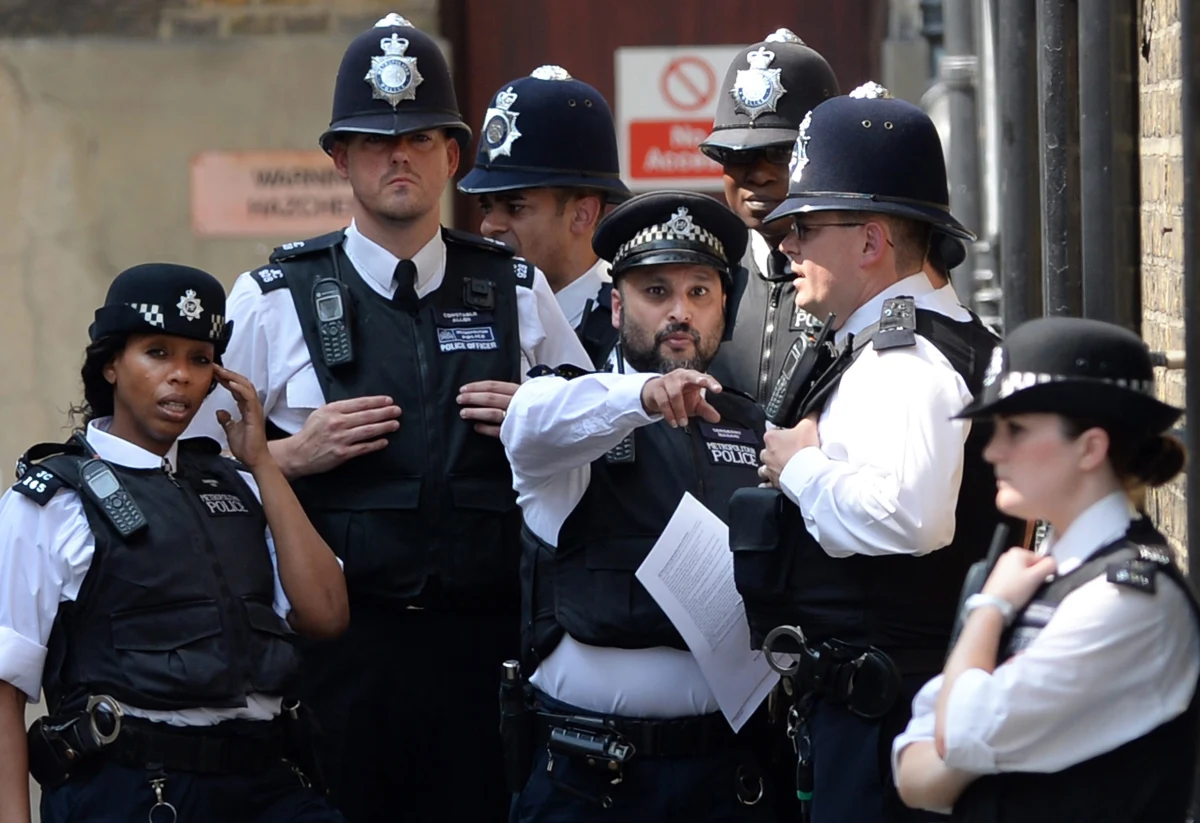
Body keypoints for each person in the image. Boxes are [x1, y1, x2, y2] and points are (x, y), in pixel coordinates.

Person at [184, 14, 591, 823]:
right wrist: (289, 456)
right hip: (342, 655)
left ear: (452, 154)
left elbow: (597, 455)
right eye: (375, 140)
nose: (397, 155)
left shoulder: (513, 290)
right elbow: (191, 486)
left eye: (420, 136)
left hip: (489, 651)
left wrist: (540, 423)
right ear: (339, 158)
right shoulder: (271, 301)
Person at [727, 82, 1018, 823]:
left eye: (808, 225)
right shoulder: (919, 343)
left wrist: (800, 468)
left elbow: (912, 518)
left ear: (869, 241)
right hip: (892, 704)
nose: (786, 244)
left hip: (888, 716)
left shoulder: (904, 356)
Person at [0, 263, 349, 823]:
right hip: (138, 792)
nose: (181, 376)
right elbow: (5, 689)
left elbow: (326, 614)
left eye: (200, 358)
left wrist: (260, 461)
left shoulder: (240, 484)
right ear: (111, 364)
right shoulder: (51, 500)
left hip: (268, 783)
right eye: (157, 352)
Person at [501, 191, 774, 822]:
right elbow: (529, 424)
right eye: (657, 292)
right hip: (590, 776)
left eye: (700, 293)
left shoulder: (753, 425)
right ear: (618, 305)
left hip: (724, 772)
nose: (681, 312)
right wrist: (645, 395)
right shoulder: (571, 410)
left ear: (724, 307)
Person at [893, 316, 1200, 822]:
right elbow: (913, 768)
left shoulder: (1127, 599)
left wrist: (987, 611)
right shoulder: (1041, 575)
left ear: (1090, 448)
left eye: (1016, 430)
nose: (992, 451)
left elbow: (958, 731)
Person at [459, 66, 632, 367]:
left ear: (582, 214)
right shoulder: (469, 312)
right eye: (486, 207)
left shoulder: (634, 319)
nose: (489, 226)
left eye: (515, 207)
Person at [700, 28, 839, 402]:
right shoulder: (705, 272)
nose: (758, 174)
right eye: (737, 154)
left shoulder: (854, 275)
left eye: (781, 154)